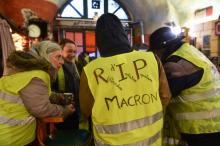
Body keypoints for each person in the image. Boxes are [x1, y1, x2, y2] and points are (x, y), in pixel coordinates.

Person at [79, 13, 171, 145]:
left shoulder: (90, 71)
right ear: (123, 35)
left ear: (98, 40)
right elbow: (165, 97)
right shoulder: (151, 59)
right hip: (150, 140)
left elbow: (86, 109)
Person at [149, 26, 220, 146]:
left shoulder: (175, 64)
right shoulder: (189, 52)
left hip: (204, 128)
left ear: (162, 49)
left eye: (155, 52)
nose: (156, 56)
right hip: (213, 123)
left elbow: (163, 97)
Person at [0, 40, 75, 146]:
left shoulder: (25, 70)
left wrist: (60, 97)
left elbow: (39, 95)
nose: (62, 62)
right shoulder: (37, 75)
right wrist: (65, 110)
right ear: (45, 56)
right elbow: (41, 109)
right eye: (58, 57)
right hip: (14, 137)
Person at [52, 38, 80, 130]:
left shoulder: (76, 65)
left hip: (74, 110)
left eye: (74, 52)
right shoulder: (55, 67)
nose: (72, 54)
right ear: (60, 50)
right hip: (62, 111)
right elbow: (50, 91)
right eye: (69, 51)